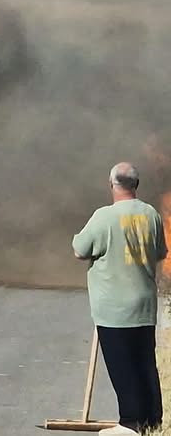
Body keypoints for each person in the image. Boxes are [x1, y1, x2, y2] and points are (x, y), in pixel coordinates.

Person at [73, 162, 167, 435]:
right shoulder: (151, 214)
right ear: (136, 184)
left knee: (122, 364)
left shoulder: (104, 216)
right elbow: (161, 252)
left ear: (112, 184)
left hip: (114, 306)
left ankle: (130, 422)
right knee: (144, 363)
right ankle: (151, 420)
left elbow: (80, 249)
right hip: (145, 303)